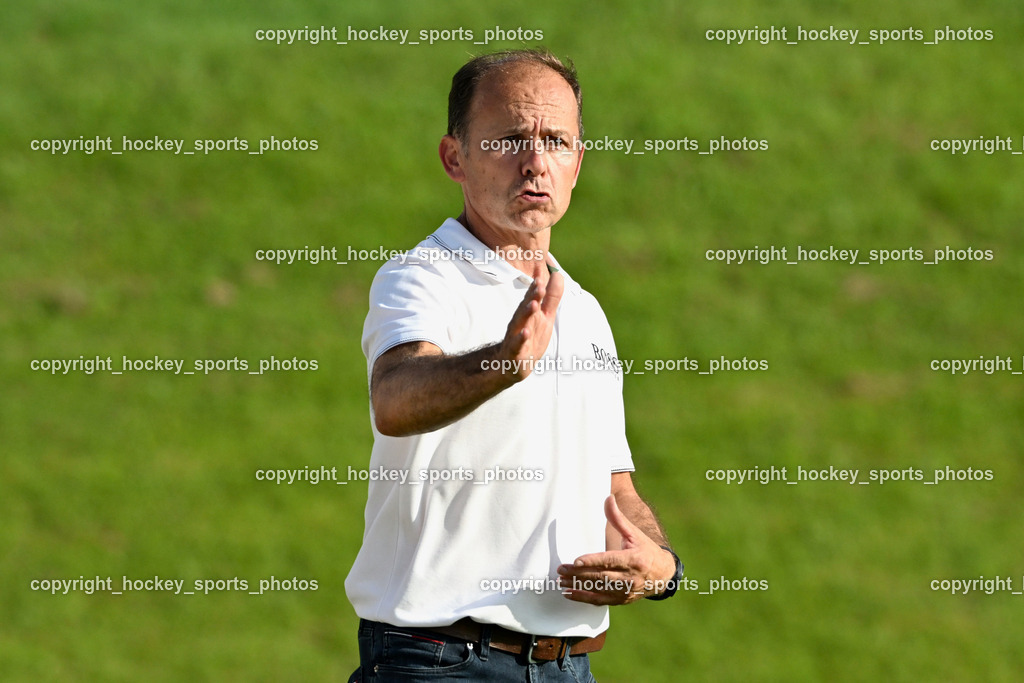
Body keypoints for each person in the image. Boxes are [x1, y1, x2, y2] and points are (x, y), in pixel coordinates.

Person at [346, 48, 683, 682]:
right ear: (455, 158)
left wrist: (661, 567)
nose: (535, 162)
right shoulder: (422, 278)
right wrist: (502, 363)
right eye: (508, 139)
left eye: (556, 140)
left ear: (577, 164)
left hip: (566, 667)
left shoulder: (584, 312)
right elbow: (394, 400)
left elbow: (615, 487)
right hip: (439, 661)